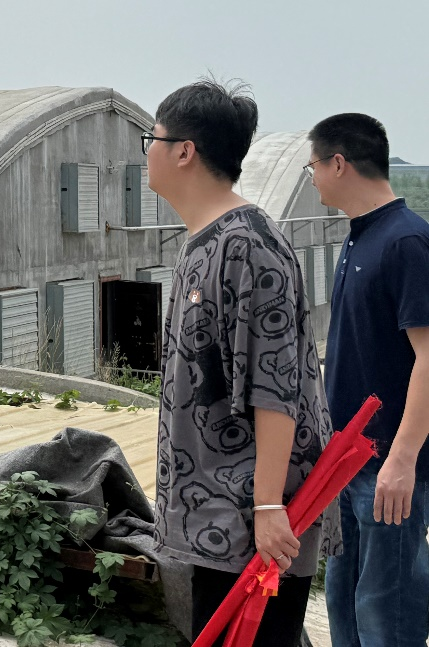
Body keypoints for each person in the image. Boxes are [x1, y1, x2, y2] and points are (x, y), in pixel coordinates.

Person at [145, 79, 336, 646]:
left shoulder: (248, 245)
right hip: (214, 515)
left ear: (184, 151)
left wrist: (269, 505)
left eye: (152, 139)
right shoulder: (202, 242)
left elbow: (276, 385)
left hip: (248, 521)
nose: (146, 152)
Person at [306, 113, 429, 647]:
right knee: (344, 605)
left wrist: (402, 461)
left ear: (339, 163)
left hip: (388, 471)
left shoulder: (406, 242)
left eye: (314, 165)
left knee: (386, 616)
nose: (312, 177)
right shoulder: (359, 238)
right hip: (346, 462)